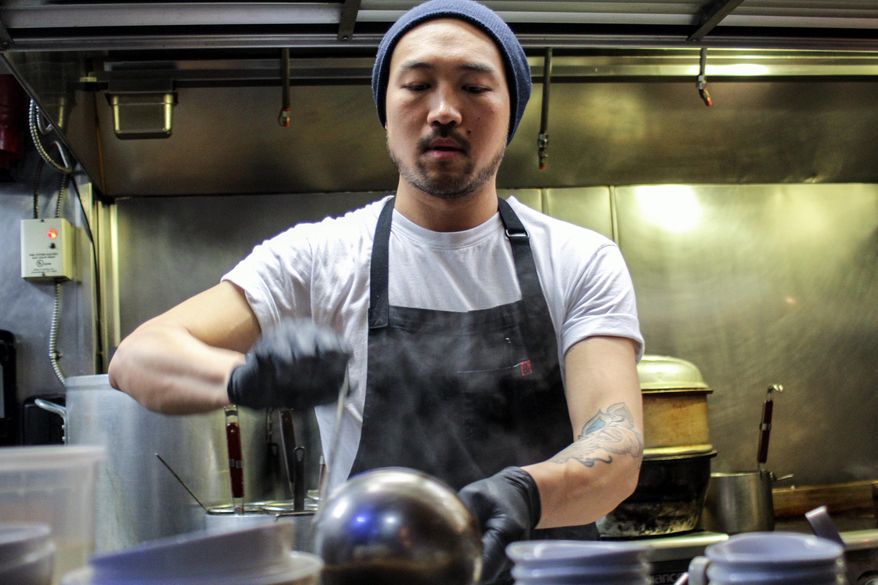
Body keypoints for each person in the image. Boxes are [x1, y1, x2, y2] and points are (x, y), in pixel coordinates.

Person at [108, 1, 645, 583]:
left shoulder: (578, 259)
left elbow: (616, 446)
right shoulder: (319, 258)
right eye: (417, 85)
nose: (444, 110)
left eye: (474, 87)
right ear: (385, 111)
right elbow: (138, 357)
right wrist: (244, 378)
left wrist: (525, 492)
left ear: (511, 110)